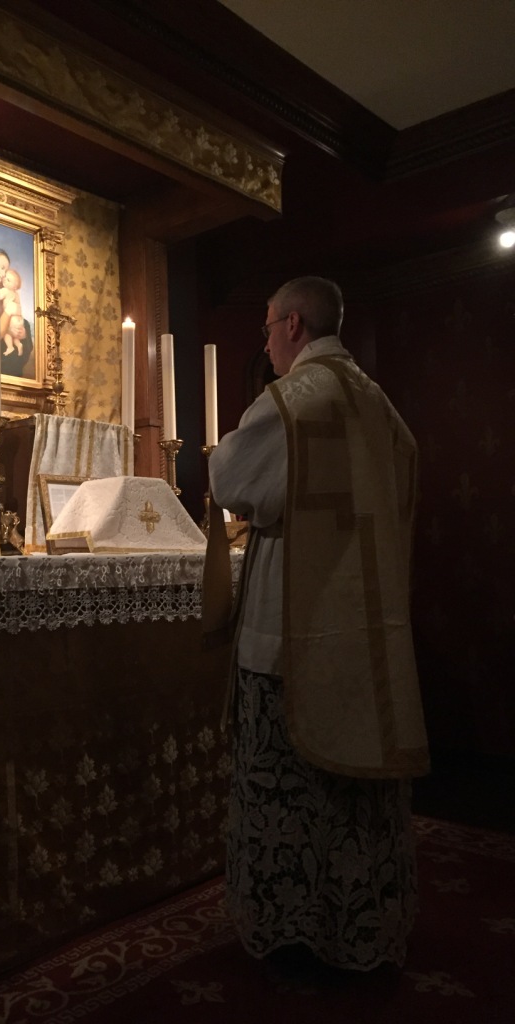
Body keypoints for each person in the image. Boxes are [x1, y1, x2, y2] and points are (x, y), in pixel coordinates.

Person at [207, 276, 429, 974]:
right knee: (354, 803)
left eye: (269, 326)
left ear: (295, 325)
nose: (266, 341)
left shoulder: (295, 402)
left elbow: (234, 480)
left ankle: (295, 932)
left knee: (291, 792)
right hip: (367, 626)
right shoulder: (376, 401)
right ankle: (359, 924)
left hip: (291, 631)